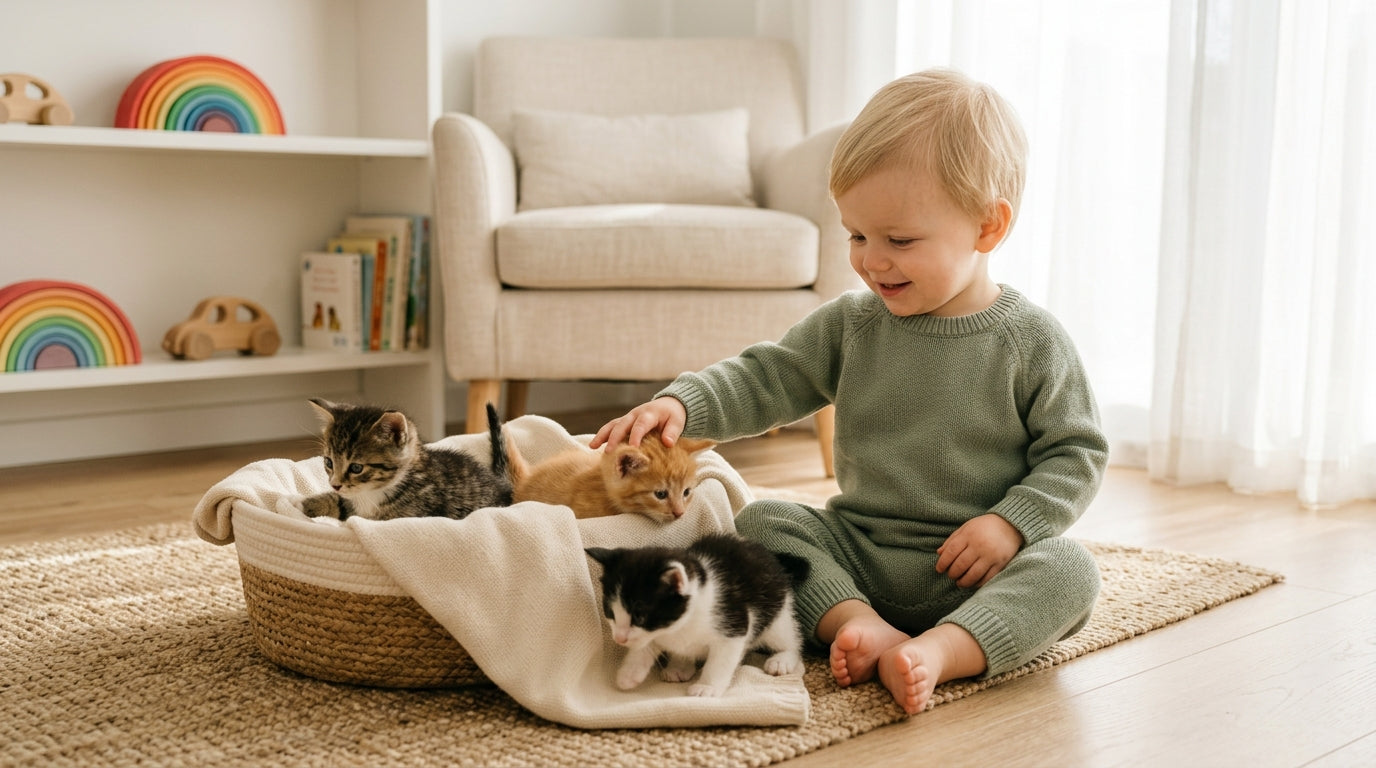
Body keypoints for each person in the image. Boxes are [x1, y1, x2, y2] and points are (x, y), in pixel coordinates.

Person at [590, 68, 1108, 715]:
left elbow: (1078, 451)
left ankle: (943, 651)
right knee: (765, 521)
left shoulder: (1031, 340)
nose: (870, 260)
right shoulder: (852, 323)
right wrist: (682, 405)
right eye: (857, 235)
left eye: (899, 240)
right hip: (858, 554)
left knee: (1069, 571)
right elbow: (767, 374)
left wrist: (1009, 524)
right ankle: (859, 623)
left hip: (978, 574)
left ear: (988, 228)